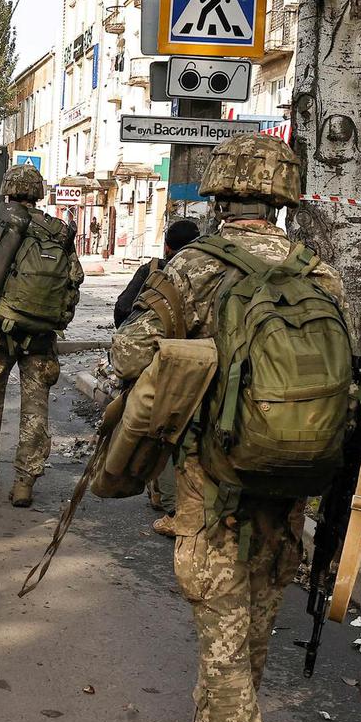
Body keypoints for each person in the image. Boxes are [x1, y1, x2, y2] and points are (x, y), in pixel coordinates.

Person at [111, 133, 351, 722]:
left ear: (218, 195)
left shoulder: (195, 266)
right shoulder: (321, 272)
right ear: (280, 197)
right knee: (254, 618)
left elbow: (130, 351)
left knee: (219, 627)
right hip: (293, 480)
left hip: (213, 483)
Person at [0, 165, 83, 507]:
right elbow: (74, 278)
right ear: (38, 193)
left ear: (7, 191)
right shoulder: (59, 231)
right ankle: (24, 482)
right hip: (42, 336)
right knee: (35, 410)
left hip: (0, 332)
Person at [113, 218, 202, 538]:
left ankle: (164, 499)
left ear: (167, 246)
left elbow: (123, 308)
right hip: (195, 365)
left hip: (156, 359)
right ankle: (168, 498)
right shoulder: (205, 273)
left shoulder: (154, 270)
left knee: (160, 425)